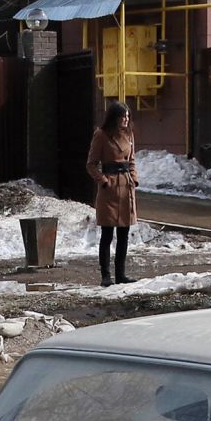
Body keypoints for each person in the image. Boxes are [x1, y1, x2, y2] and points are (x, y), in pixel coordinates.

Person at [86, 100, 138, 286]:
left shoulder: (129, 134)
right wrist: (103, 180)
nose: (125, 120)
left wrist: (134, 178)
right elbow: (91, 164)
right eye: (122, 116)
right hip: (109, 189)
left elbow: (132, 160)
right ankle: (106, 275)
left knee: (124, 233)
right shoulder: (101, 135)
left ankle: (121, 274)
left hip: (126, 187)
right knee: (107, 234)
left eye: (127, 116)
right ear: (114, 118)